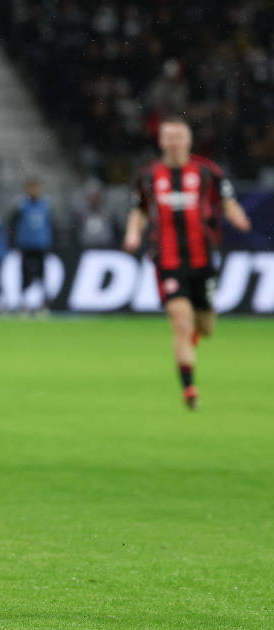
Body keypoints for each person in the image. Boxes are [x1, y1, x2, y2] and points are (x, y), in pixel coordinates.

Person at [123, 116, 251, 410]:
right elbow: (139, 210)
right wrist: (132, 234)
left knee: (205, 328)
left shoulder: (207, 171)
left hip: (203, 259)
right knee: (180, 321)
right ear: (161, 141)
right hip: (167, 261)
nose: (174, 142)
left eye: (178, 137)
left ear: (189, 140)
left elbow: (227, 201)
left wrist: (238, 217)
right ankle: (189, 388)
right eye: (168, 137)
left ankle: (194, 333)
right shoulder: (148, 175)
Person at [10, 177, 54, 313]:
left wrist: (51, 243)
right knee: (25, 275)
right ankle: (23, 304)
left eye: (36, 187)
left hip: (41, 245)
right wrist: (14, 242)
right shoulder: (21, 205)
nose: (34, 191)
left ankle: (42, 304)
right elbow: (12, 225)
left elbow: (51, 225)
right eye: (31, 188)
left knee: (41, 275)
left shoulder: (45, 205)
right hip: (26, 245)